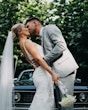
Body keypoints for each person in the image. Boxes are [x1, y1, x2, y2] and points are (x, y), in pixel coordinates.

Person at [25, 17, 79, 110]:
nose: (27, 28)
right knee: (62, 104)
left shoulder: (50, 28)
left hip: (65, 69)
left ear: (35, 23)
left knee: (67, 104)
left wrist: (43, 60)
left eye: (28, 26)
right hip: (56, 73)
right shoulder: (41, 38)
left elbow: (61, 46)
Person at [11, 23, 59, 110]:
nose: (27, 29)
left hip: (39, 72)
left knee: (45, 100)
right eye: (25, 28)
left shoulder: (21, 44)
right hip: (43, 74)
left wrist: (37, 64)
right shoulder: (27, 42)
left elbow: (32, 61)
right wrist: (52, 73)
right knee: (44, 101)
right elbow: (38, 59)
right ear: (20, 31)